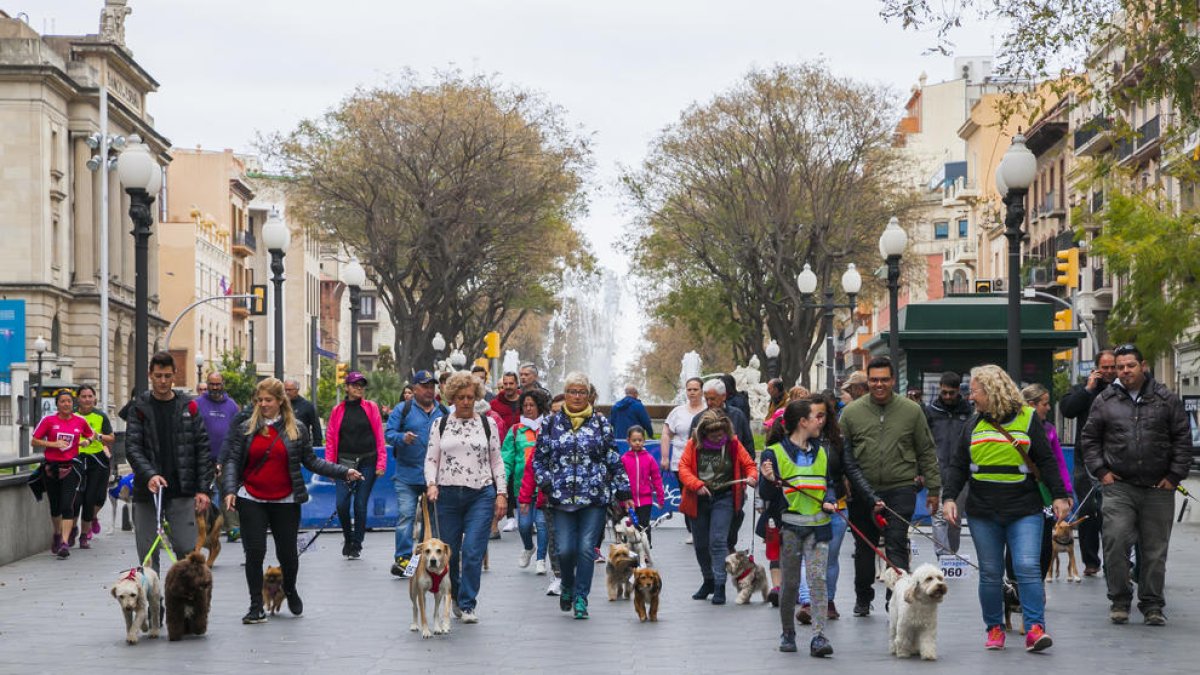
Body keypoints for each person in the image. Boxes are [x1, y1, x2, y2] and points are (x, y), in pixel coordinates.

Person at [942, 364, 1070, 652]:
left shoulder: (1027, 419)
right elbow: (958, 465)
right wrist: (949, 498)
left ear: (991, 389)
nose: (971, 397)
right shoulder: (973, 425)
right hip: (983, 510)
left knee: (1026, 566)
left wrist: (1060, 495)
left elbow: (1047, 461)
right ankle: (994, 628)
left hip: (1024, 507)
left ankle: (1035, 628)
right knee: (990, 571)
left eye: (974, 391)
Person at [222, 378, 363, 624]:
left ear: (280, 401)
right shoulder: (247, 427)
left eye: (268, 400)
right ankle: (256, 605)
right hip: (251, 497)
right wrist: (230, 489)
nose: (263, 404)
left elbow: (312, 461)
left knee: (287, 554)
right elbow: (233, 460)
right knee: (254, 552)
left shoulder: (295, 429)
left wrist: (343, 472)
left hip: (286, 500)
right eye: (260, 400)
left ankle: (291, 588)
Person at [1080, 343, 1191, 627]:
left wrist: (1174, 475)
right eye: (1120, 367)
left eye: (1130, 365)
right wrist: (1101, 471)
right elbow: (1089, 439)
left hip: (1158, 487)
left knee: (1155, 550)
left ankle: (1152, 604)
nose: (1125, 371)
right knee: (1115, 542)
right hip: (1119, 486)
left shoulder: (1166, 398)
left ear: (1143, 366)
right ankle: (1119, 599)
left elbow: (1182, 438)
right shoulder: (1104, 400)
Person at [838, 356, 940, 617]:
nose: (879, 384)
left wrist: (934, 489)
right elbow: (841, 455)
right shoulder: (851, 413)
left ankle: (895, 598)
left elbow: (926, 450)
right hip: (862, 490)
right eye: (874, 380)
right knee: (864, 547)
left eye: (884, 379)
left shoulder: (911, 411)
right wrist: (842, 486)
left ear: (893, 380)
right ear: (867, 381)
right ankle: (863, 596)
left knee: (896, 543)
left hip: (901, 487)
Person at [534, 372, 632, 620]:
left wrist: (623, 490)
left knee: (587, 549)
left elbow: (612, 457)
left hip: (594, 497)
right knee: (565, 550)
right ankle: (567, 583)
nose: (577, 396)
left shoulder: (600, 423)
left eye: (582, 392)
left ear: (589, 395)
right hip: (561, 497)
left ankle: (581, 598)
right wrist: (546, 482)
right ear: (565, 394)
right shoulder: (551, 423)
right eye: (572, 391)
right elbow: (539, 459)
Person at [425, 371, 506, 625]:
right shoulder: (440, 424)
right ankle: (457, 595)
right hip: (447, 494)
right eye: (460, 397)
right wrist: (431, 484)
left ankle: (469, 603)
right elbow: (431, 459)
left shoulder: (487, 424)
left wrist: (501, 493)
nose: (466, 402)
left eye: (470, 397)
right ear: (452, 398)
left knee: (473, 550)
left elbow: (496, 459)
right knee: (451, 552)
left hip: (480, 493)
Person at [758, 399, 836, 656]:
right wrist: (769, 480)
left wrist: (830, 500)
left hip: (819, 528)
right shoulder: (773, 453)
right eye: (816, 417)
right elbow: (768, 495)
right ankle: (788, 632)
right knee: (790, 583)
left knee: (817, 580)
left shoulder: (823, 451)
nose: (820, 421)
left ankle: (819, 636)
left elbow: (830, 483)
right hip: (789, 529)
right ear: (803, 421)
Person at [794, 392, 877, 623]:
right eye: (813, 415)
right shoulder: (795, 441)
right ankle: (809, 602)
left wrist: (871, 497)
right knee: (808, 556)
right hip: (804, 508)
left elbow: (851, 470)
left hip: (836, 507)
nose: (818, 420)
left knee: (829, 558)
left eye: (822, 415)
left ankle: (828, 600)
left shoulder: (837, 440)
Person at [126, 352, 212, 573]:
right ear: (150, 376)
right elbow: (132, 447)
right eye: (158, 376)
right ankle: (154, 605)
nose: (162, 381)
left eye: (166, 375)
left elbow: (202, 449)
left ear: (175, 374)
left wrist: (203, 489)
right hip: (148, 489)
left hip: (181, 488)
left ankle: (188, 600)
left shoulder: (189, 406)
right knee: (147, 553)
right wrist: (149, 474)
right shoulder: (138, 407)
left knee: (186, 549)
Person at [678, 409, 757, 605]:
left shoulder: (733, 443)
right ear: (704, 433)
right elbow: (683, 468)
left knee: (718, 541)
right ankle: (708, 580)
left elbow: (749, 465)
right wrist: (697, 485)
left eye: (721, 434)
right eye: (713, 435)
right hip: (699, 498)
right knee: (701, 544)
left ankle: (720, 584)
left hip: (725, 497)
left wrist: (752, 477)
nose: (717, 438)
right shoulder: (693, 444)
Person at [385, 370, 447, 577]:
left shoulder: (443, 411)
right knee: (406, 516)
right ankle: (402, 559)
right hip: (407, 476)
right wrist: (403, 438)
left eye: (432, 386)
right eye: (425, 386)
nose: (430, 390)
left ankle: (425, 557)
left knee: (434, 520)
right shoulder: (403, 409)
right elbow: (389, 434)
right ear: (414, 389)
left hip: (434, 478)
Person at [1060, 350, 1117, 576]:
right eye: (1105, 367)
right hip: (1086, 461)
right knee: (1088, 511)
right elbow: (1068, 409)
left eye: (1113, 367)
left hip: (1115, 461)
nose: (1110, 372)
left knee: (1113, 513)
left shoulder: (1122, 390)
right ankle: (1091, 562)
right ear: (1096, 368)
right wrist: (1087, 389)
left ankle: (1116, 561)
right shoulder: (1084, 390)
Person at [325, 371, 387, 559]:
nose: (359, 388)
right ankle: (348, 537)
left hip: (368, 461)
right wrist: (330, 466)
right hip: (344, 463)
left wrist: (381, 463)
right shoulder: (337, 410)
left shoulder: (371, 407)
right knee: (342, 504)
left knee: (360, 504)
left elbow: (379, 435)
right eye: (354, 385)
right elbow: (330, 439)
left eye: (361, 385)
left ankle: (357, 544)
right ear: (347, 387)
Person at [31, 389, 95, 557]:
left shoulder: (79, 421)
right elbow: (34, 440)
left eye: (69, 401)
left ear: (72, 403)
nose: (66, 404)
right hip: (51, 468)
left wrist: (87, 441)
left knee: (68, 505)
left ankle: (65, 543)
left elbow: (91, 434)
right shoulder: (49, 420)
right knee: (55, 506)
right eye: (62, 401)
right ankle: (57, 534)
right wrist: (53, 444)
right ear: (57, 404)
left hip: (71, 468)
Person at [1022, 383, 1073, 579]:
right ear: (1031, 405)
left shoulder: (1049, 429)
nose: (1049, 408)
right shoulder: (1016, 427)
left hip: (1045, 493)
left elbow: (1058, 462)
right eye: (1045, 404)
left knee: (1045, 539)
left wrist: (1065, 492)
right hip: (1021, 493)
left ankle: (1039, 582)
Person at [925, 371, 973, 556]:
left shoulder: (968, 412)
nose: (947, 397)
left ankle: (951, 553)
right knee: (938, 518)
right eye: (944, 392)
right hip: (937, 472)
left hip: (960, 475)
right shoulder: (931, 412)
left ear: (958, 391)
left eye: (951, 393)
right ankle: (943, 557)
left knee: (954, 518)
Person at [503, 390, 549, 570]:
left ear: (539, 407)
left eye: (532, 405)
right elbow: (506, 458)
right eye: (525, 406)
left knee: (542, 524)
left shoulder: (548, 428)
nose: (528, 409)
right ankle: (529, 548)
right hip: (521, 488)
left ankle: (541, 560)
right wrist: (502, 482)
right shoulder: (515, 430)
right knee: (524, 525)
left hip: (543, 489)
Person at [195, 372, 242, 541]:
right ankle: (204, 528)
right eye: (211, 384)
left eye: (218, 384)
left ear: (223, 384)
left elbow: (238, 432)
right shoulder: (197, 404)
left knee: (228, 492)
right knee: (202, 493)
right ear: (207, 384)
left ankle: (233, 528)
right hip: (203, 458)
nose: (215, 387)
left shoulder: (232, 406)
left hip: (227, 458)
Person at [74, 385, 114, 549]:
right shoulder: (73, 416)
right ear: (78, 399)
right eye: (83, 396)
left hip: (97, 460)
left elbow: (111, 438)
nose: (87, 399)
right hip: (77, 459)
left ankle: (87, 528)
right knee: (77, 499)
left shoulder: (100, 416)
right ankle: (74, 531)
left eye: (90, 396)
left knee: (95, 498)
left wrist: (98, 436)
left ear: (94, 398)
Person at [621, 425, 664, 546]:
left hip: (645, 500)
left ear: (644, 440)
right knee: (628, 526)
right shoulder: (624, 459)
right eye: (634, 440)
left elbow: (657, 478)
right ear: (628, 441)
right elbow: (620, 480)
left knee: (644, 526)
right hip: (630, 501)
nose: (637, 443)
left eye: (640, 440)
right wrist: (622, 499)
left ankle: (646, 549)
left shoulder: (649, 458)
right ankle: (628, 550)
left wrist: (660, 497)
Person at [284, 379, 324, 447]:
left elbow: (316, 427)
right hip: (283, 444)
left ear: (297, 390)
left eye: (290, 390)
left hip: (301, 445)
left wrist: (317, 446)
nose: (287, 392)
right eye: (285, 390)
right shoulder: (280, 405)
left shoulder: (307, 406)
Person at [490, 372, 523, 440]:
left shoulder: (525, 402)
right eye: (505, 384)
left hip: (522, 443)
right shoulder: (494, 404)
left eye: (511, 383)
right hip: (503, 445)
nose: (508, 386)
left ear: (517, 384)